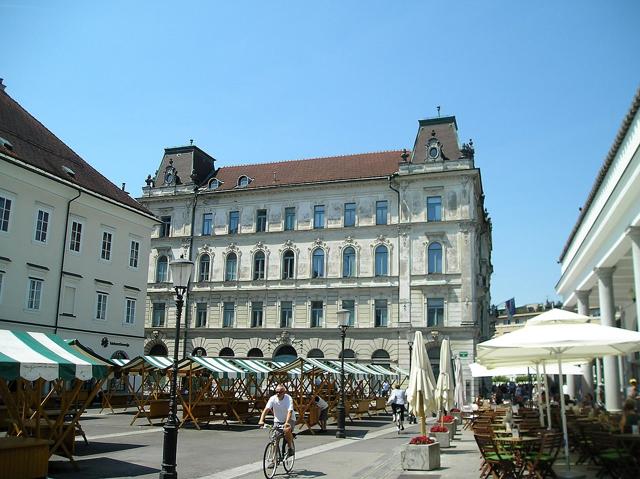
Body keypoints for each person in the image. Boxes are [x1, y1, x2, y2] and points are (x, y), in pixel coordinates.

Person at [259, 384, 296, 456]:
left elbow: (290, 411)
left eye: (280, 392)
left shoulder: (288, 398)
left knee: (286, 430)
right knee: (275, 438)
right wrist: (261, 420)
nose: (278, 393)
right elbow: (266, 409)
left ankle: (290, 447)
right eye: (276, 392)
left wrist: (287, 423)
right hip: (278, 420)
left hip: (289, 419)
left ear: (284, 392)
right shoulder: (273, 398)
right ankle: (274, 460)